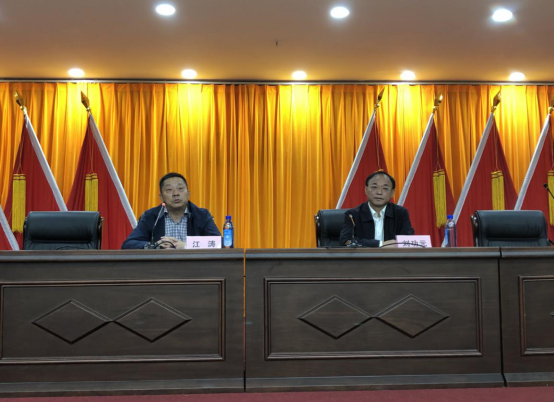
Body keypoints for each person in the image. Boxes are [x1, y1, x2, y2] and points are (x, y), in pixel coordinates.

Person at [122, 172, 221, 249]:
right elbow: (128, 244)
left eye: (180, 188)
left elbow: (219, 243)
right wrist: (155, 245)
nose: (175, 193)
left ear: (188, 194)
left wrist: (186, 245)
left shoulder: (202, 215)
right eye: (169, 190)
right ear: (161, 197)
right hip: (160, 267)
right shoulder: (151, 216)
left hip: (194, 267)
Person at [340, 171, 414, 247]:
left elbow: (409, 240)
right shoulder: (352, 215)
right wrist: (381, 244)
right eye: (374, 187)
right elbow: (347, 241)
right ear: (366, 189)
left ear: (392, 193)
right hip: (363, 255)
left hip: (392, 255)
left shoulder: (400, 213)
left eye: (385, 188)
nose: (379, 192)